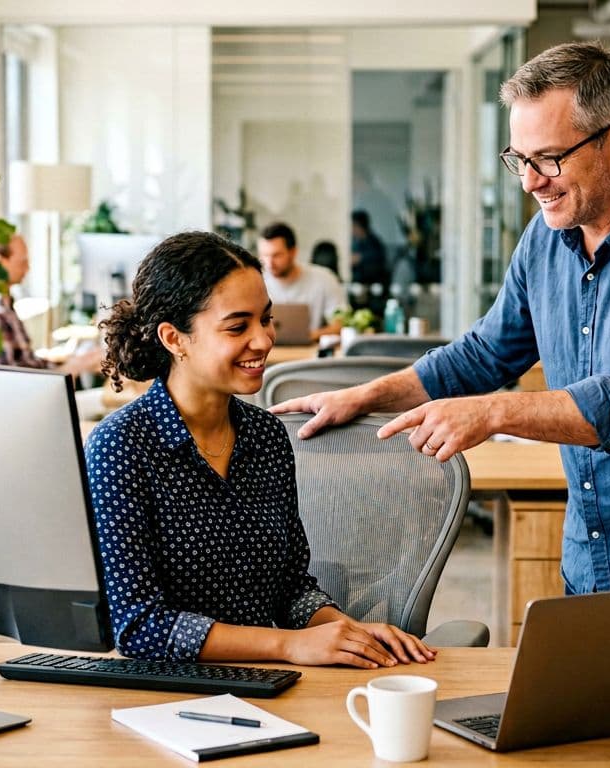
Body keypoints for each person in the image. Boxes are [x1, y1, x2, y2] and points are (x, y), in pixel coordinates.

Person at [274, 42, 610, 649]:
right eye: (518, 159)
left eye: (548, 159)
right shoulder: (547, 239)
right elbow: (485, 354)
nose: (529, 182)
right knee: (594, 741)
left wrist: (492, 412)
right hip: (595, 556)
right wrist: (369, 396)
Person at [86, 230, 434, 667]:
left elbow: (289, 587)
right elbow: (139, 626)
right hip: (164, 699)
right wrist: (287, 645)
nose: (264, 340)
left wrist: (344, 631)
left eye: (265, 319)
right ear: (174, 339)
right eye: (238, 326)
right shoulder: (121, 446)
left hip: (265, 684)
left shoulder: (266, 437)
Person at [0, 234, 101, 375]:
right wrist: (76, 365)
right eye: (22, 262)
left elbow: (26, 361)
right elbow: (13, 378)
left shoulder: (5, 302)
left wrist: (67, 360)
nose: (27, 268)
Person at [257, 222, 347, 341]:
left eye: (276, 255)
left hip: (310, 354)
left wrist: (308, 336)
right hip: (268, 353)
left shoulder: (325, 278)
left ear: (293, 252)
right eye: (264, 255)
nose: (269, 263)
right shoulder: (256, 281)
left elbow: (341, 325)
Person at [350, 210, 389, 292]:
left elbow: (379, 258)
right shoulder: (355, 242)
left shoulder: (373, 242)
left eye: (353, 226)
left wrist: (361, 258)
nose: (351, 229)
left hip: (373, 287)